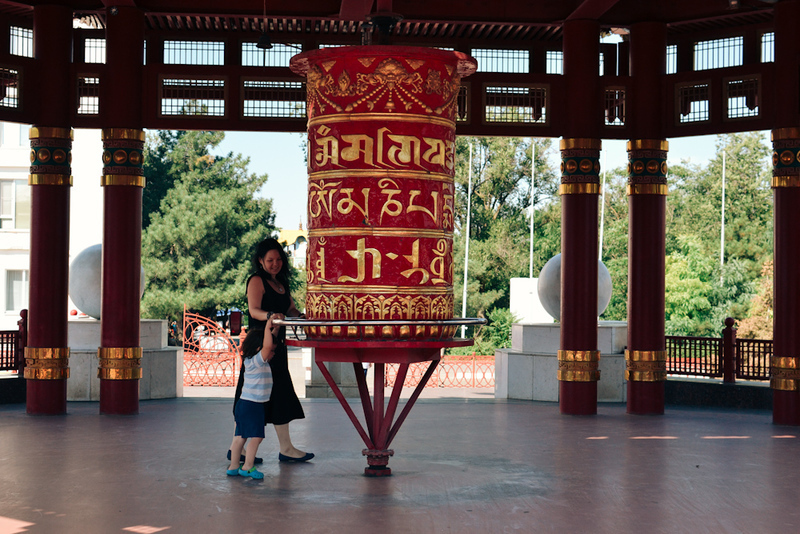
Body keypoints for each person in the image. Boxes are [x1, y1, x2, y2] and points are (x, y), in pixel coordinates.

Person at [228, 238, 314, 464]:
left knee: (280, 392)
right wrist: (270, 316)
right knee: (250, 393)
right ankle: (237, 446)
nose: (275, 264)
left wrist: (301, 317)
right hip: (259, 346)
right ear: (260, 261)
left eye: (278, 260)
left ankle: (285, 447)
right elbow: (254, 310)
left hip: (277, 346)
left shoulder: (281, 283)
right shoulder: (257, 280)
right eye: (269, 260)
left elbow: (291, 309)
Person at [227, 324, 276, 480]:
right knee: (256, 437)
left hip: (244, 404)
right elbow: (267, 345)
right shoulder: (258, 361)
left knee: (240, 436)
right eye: (271, 350)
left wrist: (275, 328)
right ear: (258, 348)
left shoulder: (250, 360)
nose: (272, 353)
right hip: (253, 405)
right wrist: (268, 326)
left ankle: (234, 466)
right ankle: (248, 466)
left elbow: (269, 342)